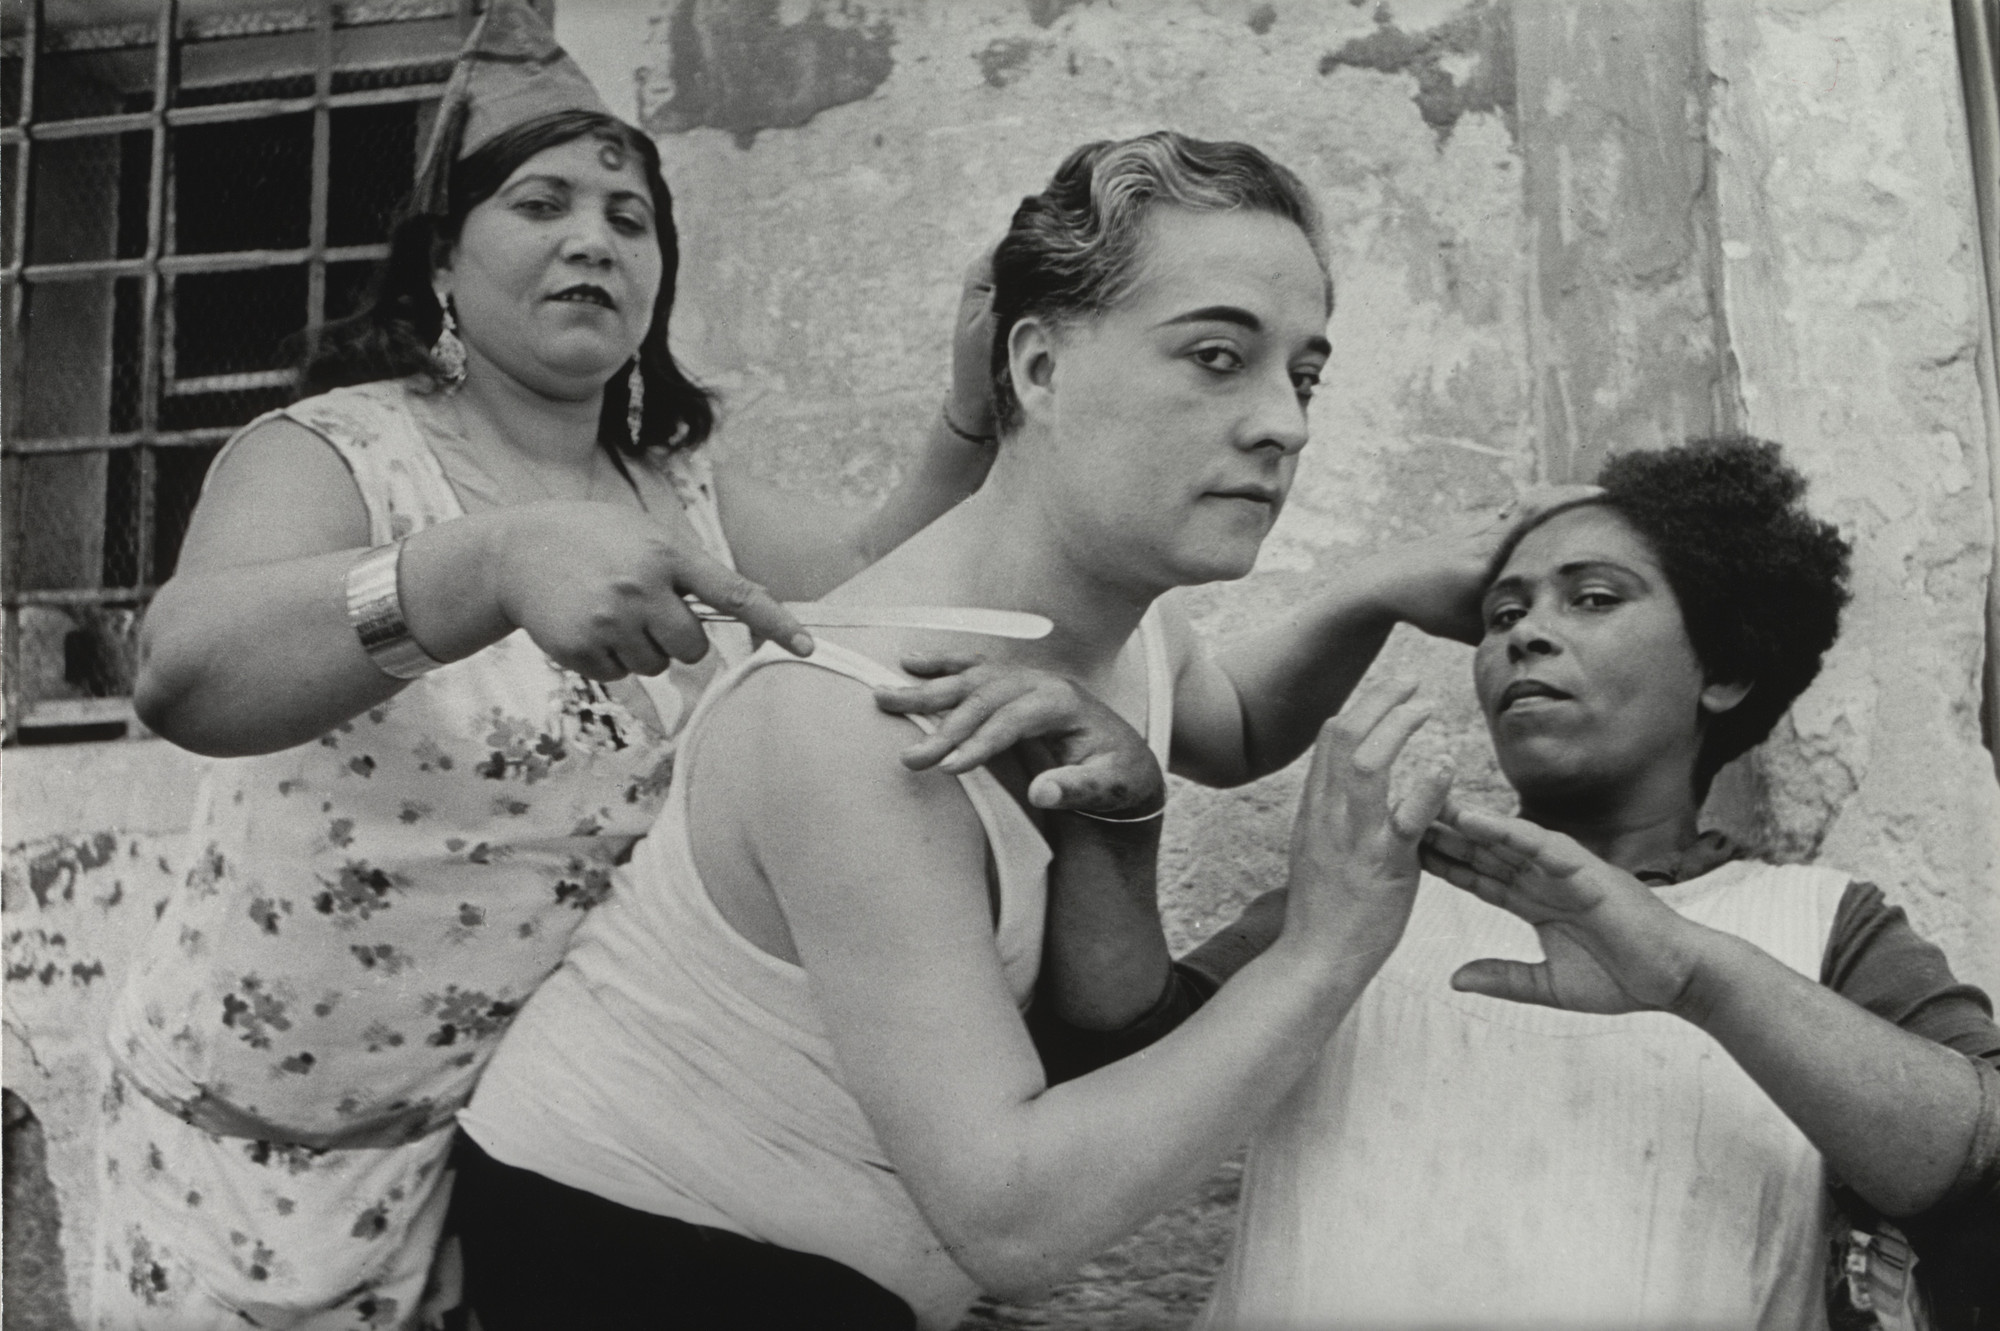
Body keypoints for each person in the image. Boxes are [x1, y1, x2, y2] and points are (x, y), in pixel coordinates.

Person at [450, 129, 1532, 1330]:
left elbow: (1224, 725)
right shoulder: (861, 719)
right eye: (1217, 358)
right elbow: (1011, 1221)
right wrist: (1323, 949)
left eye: (1303, 374)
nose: (1282, 422)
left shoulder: (1119, 618)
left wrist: (1368, 589)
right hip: (626, 1273)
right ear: (1035, 367)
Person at [94, 4, 1004, 1327]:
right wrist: (489, 565)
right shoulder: (340, 453)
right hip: (241, 1162)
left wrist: (973, 405)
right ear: (441, 272)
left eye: (630, 217)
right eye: (542, 202)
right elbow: (183, 671)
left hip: (504, 1159)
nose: (594, 236)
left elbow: (870, 588)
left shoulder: (685, 493)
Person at [1197, 438, 2000, 1329]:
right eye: (1502, 614)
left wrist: (1694, 976)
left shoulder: (1821, 925)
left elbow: (1980, 1164)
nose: (1525, 635)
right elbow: (1106, 1074)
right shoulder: (1370, 890)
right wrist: (1118, 819)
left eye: (1594, 598)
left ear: (1725, 668)